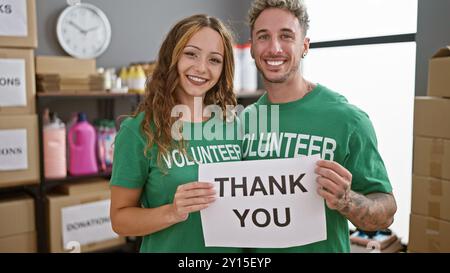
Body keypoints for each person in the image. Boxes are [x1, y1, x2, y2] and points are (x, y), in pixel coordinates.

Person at [241, 0, 397, 252]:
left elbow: (386, 212)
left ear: (304, 46)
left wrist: (347, 201)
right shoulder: (243, 123)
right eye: (263, 37)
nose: (274, 47)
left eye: (286, 36)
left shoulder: (348, 119)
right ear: (252, 48)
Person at [110, 14, 243, 253]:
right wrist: (172, 212)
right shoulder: (138, 131)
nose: (201, 68)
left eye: (214, 60)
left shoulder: (235, 125)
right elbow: (120, 220)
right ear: (172, 56)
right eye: (191, 54)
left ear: (223, 69)